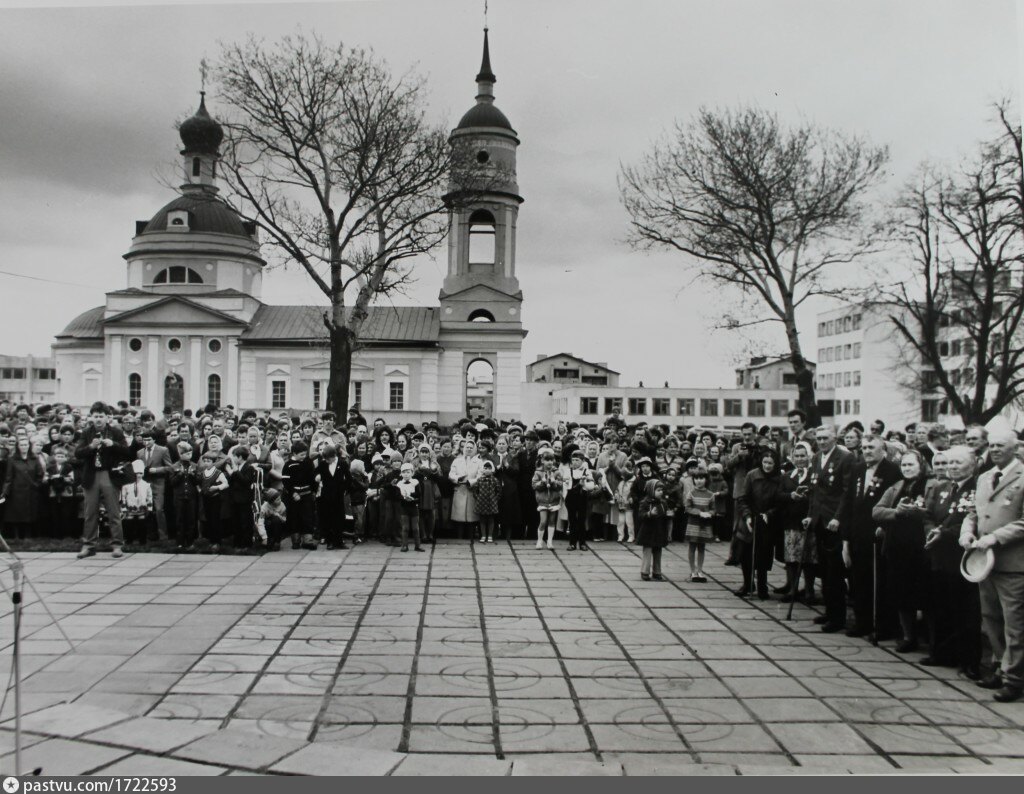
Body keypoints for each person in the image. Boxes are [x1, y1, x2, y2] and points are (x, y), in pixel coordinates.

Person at [959, 428, 1024, 702]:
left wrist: (996, 537)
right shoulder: (984, 477)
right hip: (983, 563)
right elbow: (974, 512)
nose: (995, 449)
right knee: (991, 620)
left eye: (1001, 445)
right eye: (992, 445)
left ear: (1015, 448)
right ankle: (999, 665)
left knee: (1015, 624)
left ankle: (1015, 678)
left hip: (1012, 563)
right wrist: (967, 532)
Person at [922, 445, 980, 678]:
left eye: (958, 463)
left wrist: (943, 533)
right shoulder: (941, 487)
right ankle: (942, 653)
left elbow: (969, 520)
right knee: (941, 607)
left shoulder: (976, 488)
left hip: (961, 556)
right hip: (939, 555)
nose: (952, 467)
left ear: (973, 465)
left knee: (965, 611)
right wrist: (930, 530)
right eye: (949, 463)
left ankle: (969, 661)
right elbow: (928, 513)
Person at [872, 449, 932, 653]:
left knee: (924, 593)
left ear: (921, 465)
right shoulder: (897, 486)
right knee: (901, 593)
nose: (907, 469)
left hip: (922, 547)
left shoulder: (931, 485)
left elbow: (934, 513)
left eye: (911, 465)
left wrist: (918, 512)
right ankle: (908, 636)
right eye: (904, 465)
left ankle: (931, 638)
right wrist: (896, 512)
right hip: (898, 547)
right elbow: (877, 511)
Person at [843, 434, 902, 637]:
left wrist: (884, 526)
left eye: (872, 448)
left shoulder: (893, 471)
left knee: (880, 581)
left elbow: (893, 503)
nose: (867, 451)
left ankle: (883, 625)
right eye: (865, 447)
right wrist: (846, 536)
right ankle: (863, 622)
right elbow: (850, 501)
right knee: (859, 580)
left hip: (879, 533)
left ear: (883, 450)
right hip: (858, 532)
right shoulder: (858, 469)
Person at [805, 425, 856, 632]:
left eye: (826, 438)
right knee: (824, 570)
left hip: (833, 521)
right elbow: (814, 490)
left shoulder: (845, 458)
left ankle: (838, 617)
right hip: (819, 519)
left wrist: (838, 518)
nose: (822, 441)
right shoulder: (817, 457)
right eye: (819, 438)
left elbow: (846, 492)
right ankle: (829, 610)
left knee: (835, 571)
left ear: (835, 438)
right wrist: (810, 515)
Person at [75, 402, 132, 559]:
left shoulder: (115, 432)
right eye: (96, 416)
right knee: (90, 512)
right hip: (91, 475)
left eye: (101, 416)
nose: (98, 419)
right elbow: (78, 453)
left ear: (108, 417)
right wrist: (91, 447)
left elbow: (127, 452)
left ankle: (117, 545)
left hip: (109, 474)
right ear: (91, 417)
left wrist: (113, 444)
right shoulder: (86, 433)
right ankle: (89, 545)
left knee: (113, 512)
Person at [737, 448, 785, 599]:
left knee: (764, 554)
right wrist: (747, 516)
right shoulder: (752, 475)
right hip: (751, 519)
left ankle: (763, 586)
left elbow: (781, 501)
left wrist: (770, 513)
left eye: (771, 463)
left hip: (768, 520)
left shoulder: (779, 478)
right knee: (746, 554)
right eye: (765, 462)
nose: (767, 466)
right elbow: (743, 498)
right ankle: (747, 583)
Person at [1, 436, 45, 539]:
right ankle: (16, 537)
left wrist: (36, 485)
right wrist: (5, 492)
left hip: (30, 491)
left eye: (26, 445)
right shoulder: (12, 460)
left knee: (30, 514)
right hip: (16, 491)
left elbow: (40, 474)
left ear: (29, 446)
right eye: (21, 445)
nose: (24, 447)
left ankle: (27, 536)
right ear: (18, 446)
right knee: (16, 514)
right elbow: (8, 477)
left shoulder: (34, 459)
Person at [138, 429, 173, 541]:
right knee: (146, 510)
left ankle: (163, 536)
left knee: (159, 509)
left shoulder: (163, 450)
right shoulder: (139, 453)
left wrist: (156, 470)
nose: (146, 442)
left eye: (149, 440)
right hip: (145, 484)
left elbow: (170, 467)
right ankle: (148, 535)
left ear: (154, 440)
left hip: (158, 483)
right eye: (144, 440)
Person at [315, 442, 350, 550]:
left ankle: (339, 541)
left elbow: (348, 478)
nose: (326, 461)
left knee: (339, 517)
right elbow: (315, 473)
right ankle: (330, 541)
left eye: (328, 459)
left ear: (334, 456)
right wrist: (317, 476)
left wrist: (345, 489)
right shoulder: (323, 464)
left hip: (338, 494)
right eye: (324, 459)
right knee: (328, 518)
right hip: (326, 495)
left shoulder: (342, 463)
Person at [284, 441, 317, 550]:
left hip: (307, 494)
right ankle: (296, 540)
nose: (304, 457)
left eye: (305, 454)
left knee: (307, 516)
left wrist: (314, 490)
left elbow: (312, 478)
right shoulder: (288, 465)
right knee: (294, 517)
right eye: (301, 455)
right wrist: (293, 493)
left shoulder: (307, 463)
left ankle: (308, 540)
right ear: (294, 453)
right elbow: (286, 482)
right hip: (294, 496)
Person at [684, 469, 715, 582]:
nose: (699, 481)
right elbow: (687, 508)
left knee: (701, 547)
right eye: (696, 478)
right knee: (692, 546)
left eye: (701, 478)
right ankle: (693, 571)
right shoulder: (691, 493)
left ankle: (700, 571)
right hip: (693, 524)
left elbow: (713, 509)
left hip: (705, 524)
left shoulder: (710, 494)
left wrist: (709, 514)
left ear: (706, 480)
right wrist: (699, 512)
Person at [169, 441, 200, 551]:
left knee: (191, 520)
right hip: (179, 497)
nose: (189, 455)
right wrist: (180, 474)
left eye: (190, 453)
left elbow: (198, 481)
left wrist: (192, 475)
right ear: (180, 454)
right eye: (186, 453)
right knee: (179, 520)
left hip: (191, 496)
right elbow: (172, 482)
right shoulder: (174, 466)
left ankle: (190, 542)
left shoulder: (195, 466)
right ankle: (180, 542)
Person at [637, 479, 669, 581]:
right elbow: (640, 515)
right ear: (651, 490)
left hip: (659, 531)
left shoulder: (663, 503)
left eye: (662, 490)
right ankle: (645, 572)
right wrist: (649, 514)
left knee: (658, 551)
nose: (661, 492)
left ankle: (657, 572)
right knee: (647, 551)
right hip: (648, 531)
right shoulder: (645, 502)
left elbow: (664, 517)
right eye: (658, 490)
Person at [532, 448, 563, 549]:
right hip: (543, 501)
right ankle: (539, 541)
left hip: (554, 500)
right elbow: (534, 486)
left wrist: (554, 482)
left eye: (551, 460)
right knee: (543, 521)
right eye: (547, 460)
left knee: (551, 521)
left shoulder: (556, 472)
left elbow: (560, 485)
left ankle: (550, 541)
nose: (549, 462)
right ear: (542, 461)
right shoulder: (538, 472)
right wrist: (542, 482)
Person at [120, 459, 153, 546]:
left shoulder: (146, 485)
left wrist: (149, 507)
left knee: (142, 523)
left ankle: (142, 541)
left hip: (142, 507)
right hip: (130, 508)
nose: (138, 475)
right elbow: (123, 497)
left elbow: (149, 497)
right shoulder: (126, 485)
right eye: (136, 473)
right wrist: (123, 508)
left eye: (140, 473)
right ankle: (129, 540)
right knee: (129, 523)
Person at [393, 462, 425, 552]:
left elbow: (419, 494)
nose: (406, 474)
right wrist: (404, 498)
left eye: (408, 472)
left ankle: (417, 545)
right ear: (401, 473)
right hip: (404, 508)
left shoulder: (415, 482)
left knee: (415, 528)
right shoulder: (399, 484)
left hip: (414, 507)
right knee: (405, 528)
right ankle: (404, 545)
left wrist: (412, 497)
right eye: (404, 472)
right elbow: (397, 496)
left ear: (412, 473)